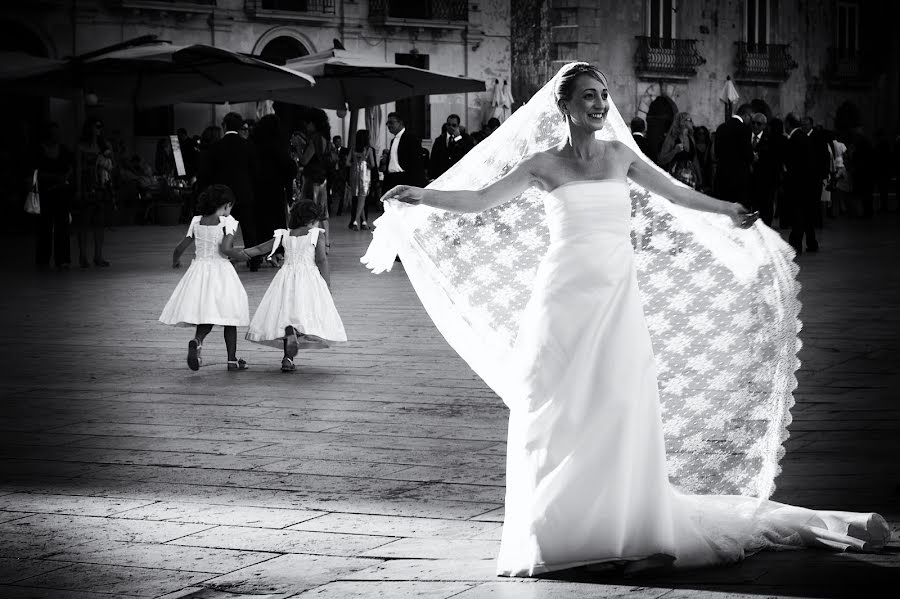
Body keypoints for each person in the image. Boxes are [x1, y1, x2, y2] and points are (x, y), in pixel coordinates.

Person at [365, 62, 888, 577]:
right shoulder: (542, 164)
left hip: (616, 298)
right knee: (555, 407)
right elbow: (480, 200)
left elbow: (674, 193)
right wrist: (424, 195)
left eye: (604, 94)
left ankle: (633, 528)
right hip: (563, 299)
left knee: (621, 402)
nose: (600, 104)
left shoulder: (621, 154)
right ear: (564, 105)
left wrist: (726, 208)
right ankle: (561, 530)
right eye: (589, 96)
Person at [243, 200, 347, 372]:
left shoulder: (285, 234)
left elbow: (262, 248)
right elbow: (321, 259)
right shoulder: (316, 234)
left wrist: (241, 254)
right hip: (309, 278)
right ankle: (296, 335)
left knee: (287, 313)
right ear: (313, 219)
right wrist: (327, 283)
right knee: (306, 312)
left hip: (286, 277)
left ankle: (287, 357)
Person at [159, 184, 251, 372]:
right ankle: (232, 360)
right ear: (226, 205)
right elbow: (225, 249)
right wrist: (243, 256)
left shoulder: (196, 221)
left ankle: (197, 340)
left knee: (206, 314)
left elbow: (179, 248)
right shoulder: (228, 222)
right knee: (229, 316)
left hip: (199, 272)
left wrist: (176, 261)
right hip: (221, 272)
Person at [197, 112, 259, 269]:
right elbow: (255, 171)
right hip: (244, 193)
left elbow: (207, 173)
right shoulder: (248, 146)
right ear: (240, 128)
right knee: (248, 227)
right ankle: (254, 261)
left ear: (224, 126)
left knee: (223, 227)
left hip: (222, 196)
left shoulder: (215, 147)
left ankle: (223, 258)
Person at [251, 114, 297, 255]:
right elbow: (288, 166)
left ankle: (260, 251)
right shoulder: (277, 144)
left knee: (261, 221)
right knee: (276, 221)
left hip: (257, 188)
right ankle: (276, 250)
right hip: (275, 188)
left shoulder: (254, 143)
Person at [32, 122, 73, 270]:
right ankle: (43, 259)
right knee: (45, 226)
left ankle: (62, 259)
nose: (56, 135)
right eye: (53, 133)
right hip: (45, 192)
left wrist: (65, 177)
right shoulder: (39, 150)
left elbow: (71, 167)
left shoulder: (63, 150)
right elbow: (35, 172)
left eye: (57, 132)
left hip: (61, 192)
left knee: (62, 225)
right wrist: (55, 177)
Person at [73, 117, 112, 268]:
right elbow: (77, 168)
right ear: (89, 128)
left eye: (100, 127)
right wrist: (77, 189)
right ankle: (83, 255)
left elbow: (111, 165)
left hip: (101, 185)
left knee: (99, 222)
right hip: (87, 185)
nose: (99, 129)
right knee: (84, 221)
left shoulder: (103, 146)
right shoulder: (81, 146)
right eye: (96, 126)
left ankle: (98, 255)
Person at [784, 113, 818, 253]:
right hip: (808, 183)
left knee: (798, 214)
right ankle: (811, 242)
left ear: (788, 124)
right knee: (808, 214)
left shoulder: (794, 139)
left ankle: (795, 244)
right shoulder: (804, 136)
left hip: (798, 184)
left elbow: (793, 164)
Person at [298, 120, 331, 249]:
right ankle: (327, 241)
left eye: (309, 122)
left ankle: (313, 242)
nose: (307, 125)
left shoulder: (315, 139)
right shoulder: (325, 139)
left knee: (311, 210)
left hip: (312, 178)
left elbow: (304, 160)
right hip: (323, 178)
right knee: (323, 211)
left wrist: (299, 148)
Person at [714, 103, 754, 209]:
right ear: (746, 115)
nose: (750, 121)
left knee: (724, 208)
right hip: (739, 177)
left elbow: (716, 152)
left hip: (722, 174)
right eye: (750, 117)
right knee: (738, 210)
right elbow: (748, 155)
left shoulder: (721, 127)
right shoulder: (744, 129)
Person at [657, 112, 701, 189]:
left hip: (690, 177)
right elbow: (661, 159)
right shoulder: (672, 138)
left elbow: (695, 159)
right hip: (676, 177)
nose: (692, 122)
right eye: (689, 120)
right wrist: (674, 151)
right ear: (682, 122)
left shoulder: (691, 138)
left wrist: (700, 177)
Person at [383, 112, 425, 189]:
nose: (388, 125)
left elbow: (416, 162)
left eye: (391, 123)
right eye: (387, 123)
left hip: (405, 179)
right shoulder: (393, 140)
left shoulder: (411, 138)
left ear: (400, 123)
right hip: (392, 179)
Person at [347, 129, 377, 230]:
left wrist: (355, 165)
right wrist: (364, 163)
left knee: (358, 198)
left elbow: (347, 163)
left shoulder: (353, 148)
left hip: (354, 174)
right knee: (362, 198)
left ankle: (364, 222)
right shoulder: (368, 149)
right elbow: (372, 164)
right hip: (365, 175)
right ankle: (356, 221)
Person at [429, 114, 475, 181]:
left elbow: (467, 153)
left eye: (454, 125)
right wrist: (432, 176)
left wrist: (458, 138)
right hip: (442, 176)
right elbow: (433, 159)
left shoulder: (466, 139)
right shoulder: (439, 140)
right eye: (448, 125)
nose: (451, 127)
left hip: (458, 176)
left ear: (458, 126)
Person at [693, 125, 714, 195]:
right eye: (700, 133)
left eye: (704, 133)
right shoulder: (694, 145)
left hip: (708, 171)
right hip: (696, 171)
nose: (702, 135)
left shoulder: (709, 145)